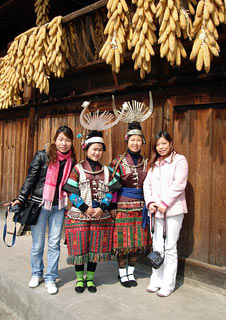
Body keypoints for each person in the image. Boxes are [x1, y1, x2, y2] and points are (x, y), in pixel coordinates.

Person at [10, 125, 76, 295]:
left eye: (67, 140)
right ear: (55, 139)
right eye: (61, 139)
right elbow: (30, 179)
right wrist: (21, 198)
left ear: (71, 142)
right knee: (38, 244)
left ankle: (51, 277)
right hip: (40, 205)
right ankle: (36, 273)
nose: (64, 143)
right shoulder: (43, 156)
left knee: (54, 243)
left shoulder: (71, 161)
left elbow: (71, 185)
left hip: (59, 206)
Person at [63, 130, 114, 294]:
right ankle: (79, 279)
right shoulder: (77, 169)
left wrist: (102, 208)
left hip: (100, 216)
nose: (97, 152)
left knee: (95, 249)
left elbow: (111, 192)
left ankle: (90, 278)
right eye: (94, 149)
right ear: (86, 149)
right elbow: (71, 191)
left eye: (100, 149)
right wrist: (85, 208)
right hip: (79, 215)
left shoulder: (106, 171)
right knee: (80, 249)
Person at [143, 130, 188, 297]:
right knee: (157, 246)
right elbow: (146, 185)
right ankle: (156, 280)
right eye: (158, 145)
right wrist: (151, 203)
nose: (161, 147)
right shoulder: (153, 163)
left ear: (170, 143)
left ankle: (168, 284)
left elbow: (179, 184)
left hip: (173, 210)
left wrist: (164, 203)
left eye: (164, 143)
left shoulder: (179, 160)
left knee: (169, 247)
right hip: (155, 211)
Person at [108, 121, 151, 288]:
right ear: (127, 140)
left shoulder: (147, 163)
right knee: (122, 242)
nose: (135, 143)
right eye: (132, 139)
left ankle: (131, 272)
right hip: (122, 206)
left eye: (138, 139)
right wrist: (112, 206)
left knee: (137, 242)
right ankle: (121, 273)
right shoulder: (117, 162)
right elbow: (112, 186)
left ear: (143, 141)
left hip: (141, 207)